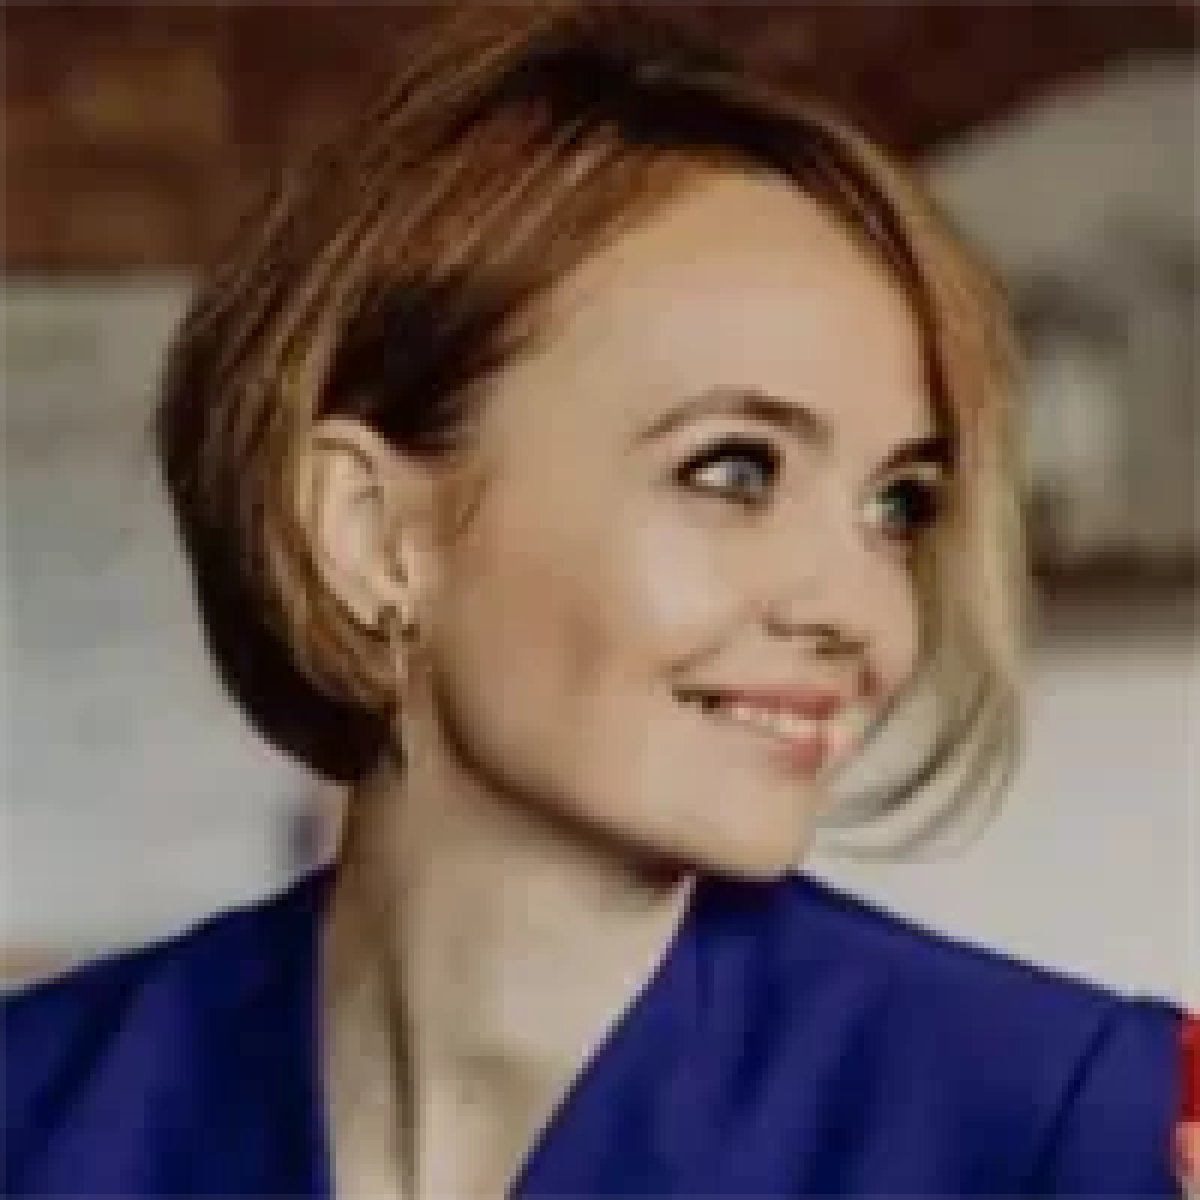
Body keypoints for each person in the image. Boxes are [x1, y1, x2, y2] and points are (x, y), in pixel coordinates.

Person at [3, 5, 1195, 1195]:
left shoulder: (1074, 1124)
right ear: (370, 533)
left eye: (898, 507)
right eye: (735, 471)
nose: (863, 615)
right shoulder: (31, 1109)